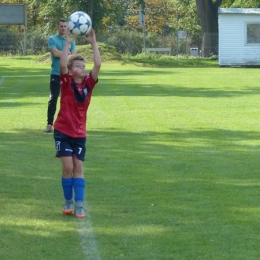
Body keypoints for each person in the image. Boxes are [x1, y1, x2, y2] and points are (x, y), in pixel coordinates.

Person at [53, 28, 101, 218]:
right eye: (79, 66)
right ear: (72, 72)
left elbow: (98, 64)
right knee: (68, 168)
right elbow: (63, 64)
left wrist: (93, 42)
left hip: (79, 133)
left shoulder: (88, 84)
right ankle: (68, 201)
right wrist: (66, 43)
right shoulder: (66, 83)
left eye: (84, 65)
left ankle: (79, 204)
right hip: (63, 131)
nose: (83, 68)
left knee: (78, 167)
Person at [45, 19, 76, 133]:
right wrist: (67, 53)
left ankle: (68, 124)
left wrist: (64, 54)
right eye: (61, 26)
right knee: (53, 98)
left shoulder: (71, 41)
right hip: (56, 73)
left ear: (68, 28)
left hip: (68, 75)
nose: (63, 28)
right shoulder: (52, 39)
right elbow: (55, 53)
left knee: (68, 99)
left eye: (65, 26)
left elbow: (73, 56)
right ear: (57, 27)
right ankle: (49, 124)